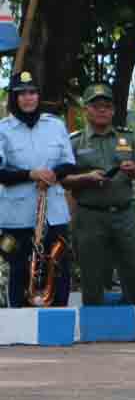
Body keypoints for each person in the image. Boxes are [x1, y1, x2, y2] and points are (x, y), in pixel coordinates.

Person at [63, 84, 135, 306]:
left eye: (107, 106)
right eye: (96, 106)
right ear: (86, 111)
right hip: (89, 216)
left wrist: (134, 169)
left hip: (124, 214)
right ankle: (93, 329)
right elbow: (62, 179)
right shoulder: (74, 142)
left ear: (113, 110)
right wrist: (87, 178)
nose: (102, 110)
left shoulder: (128, 138)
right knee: (92, 275)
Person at [0, 72, 76, 308]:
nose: (27, 98)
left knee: (59, 268)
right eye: (21, 93)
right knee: (20, 269)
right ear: (13, 98)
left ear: (38, 96)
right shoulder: (3, 129)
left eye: (32, 92)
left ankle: (59, 327)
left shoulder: (55, 125)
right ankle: (20, 330)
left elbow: (69, 163)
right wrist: (30, 174)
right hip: (18, 217)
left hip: (53, 212)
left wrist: (53, 174)